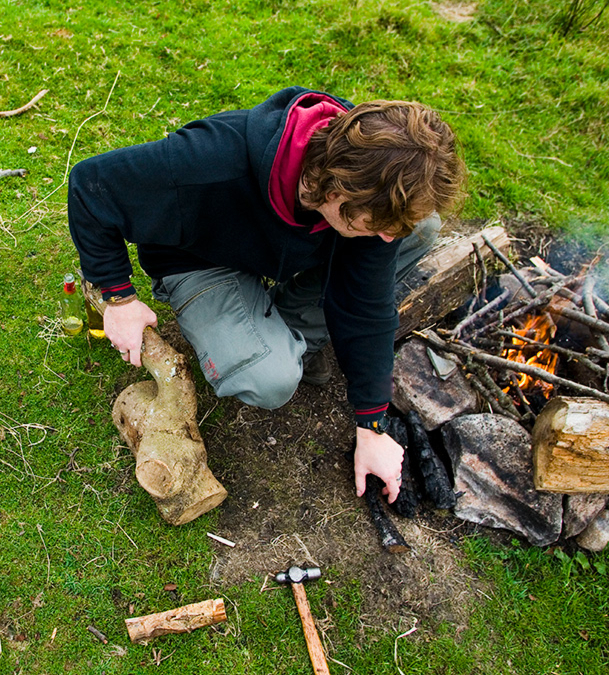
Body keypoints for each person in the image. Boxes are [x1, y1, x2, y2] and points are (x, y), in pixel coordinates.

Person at [67, 86, 465, 503]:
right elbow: (91, 185)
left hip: (282, 250)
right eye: (373, 223)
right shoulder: (210, 160)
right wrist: (119, 299)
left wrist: (373, 425)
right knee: (270, 378)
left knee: (418, 228)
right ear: (335, 192)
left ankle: (274, 328)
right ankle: (271, 341)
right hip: (199, 258)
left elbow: (366, 302)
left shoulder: (364, 181)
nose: (385, 235)